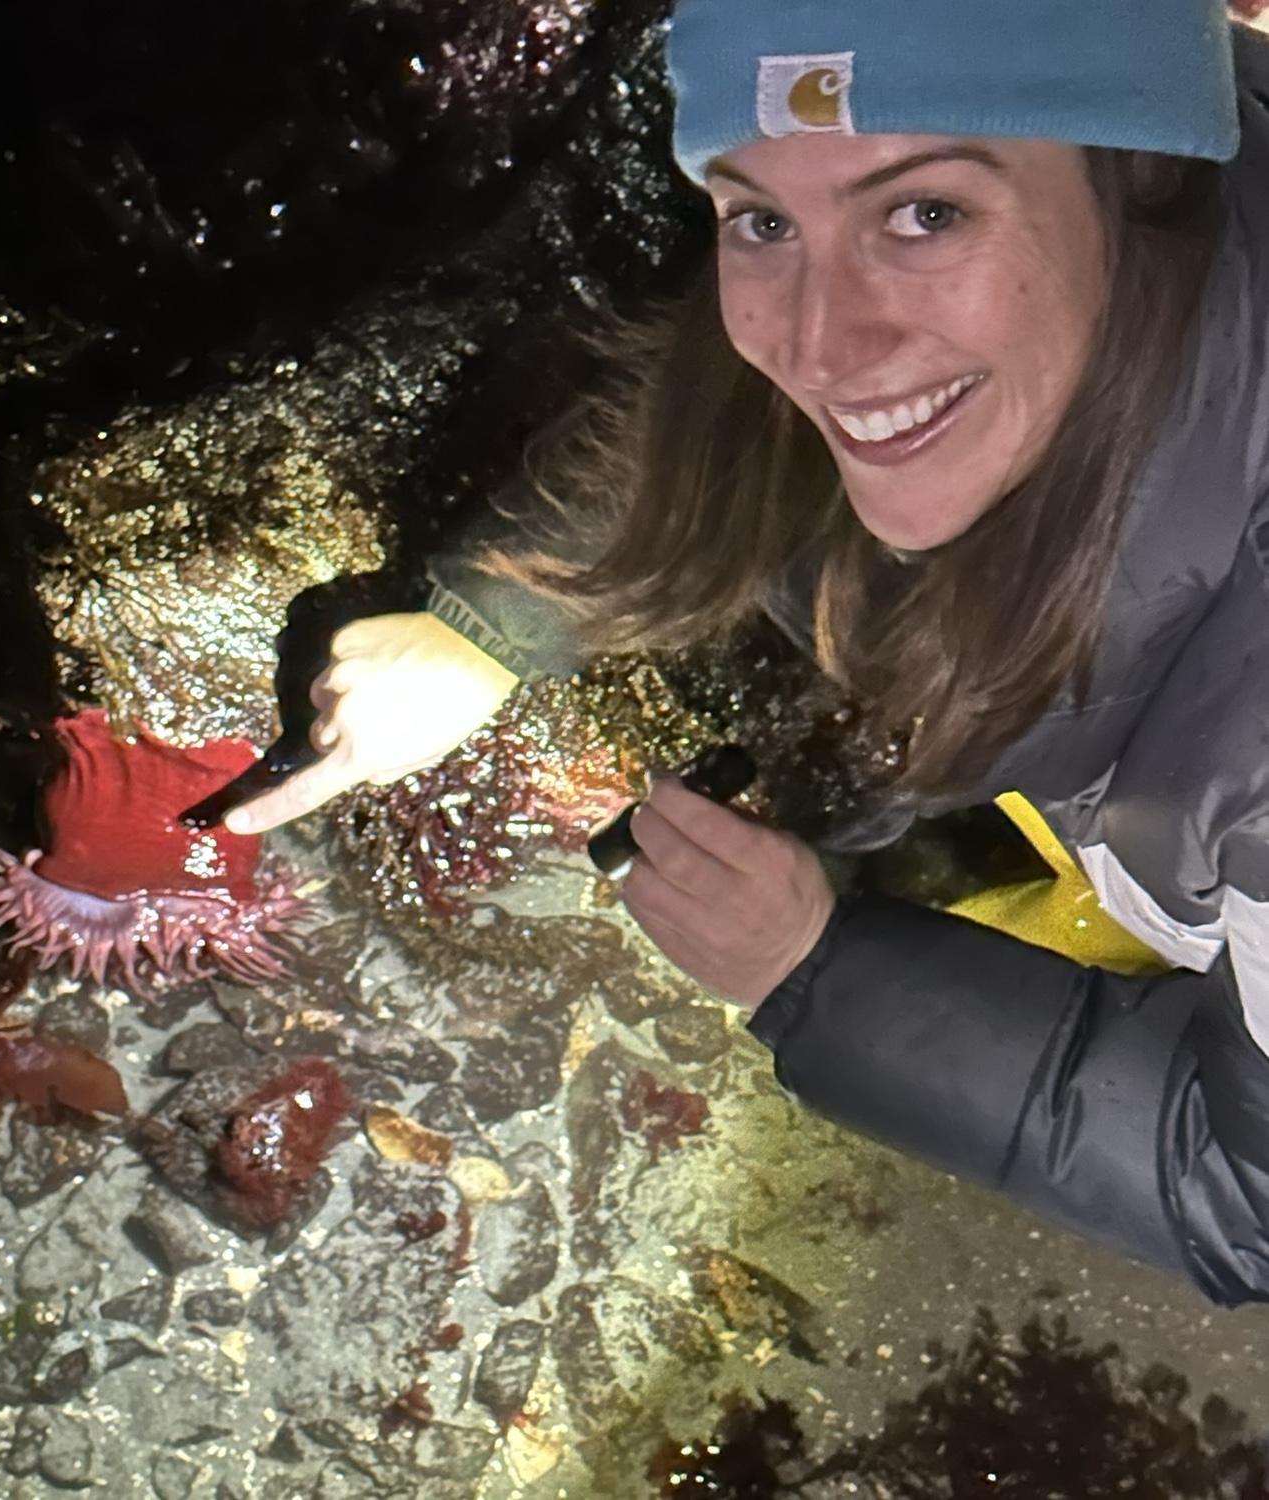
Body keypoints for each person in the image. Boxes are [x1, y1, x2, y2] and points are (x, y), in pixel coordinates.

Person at [227, 0, 1269, 1306]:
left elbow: (1253, 1201)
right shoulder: (1151, 127)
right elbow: (756, 405)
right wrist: (494, 622)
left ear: (1140, 181)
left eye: (926, 212)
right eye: (759, 219)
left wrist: (816, 970)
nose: (821, 344)